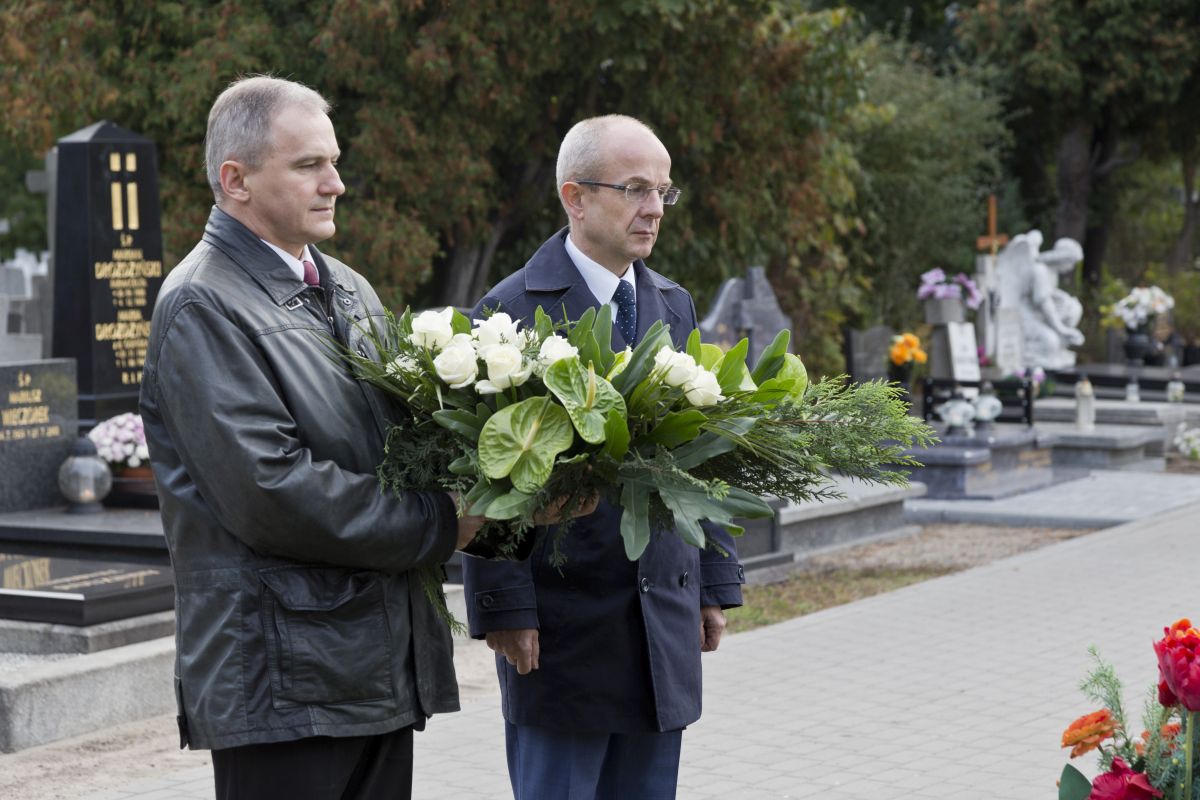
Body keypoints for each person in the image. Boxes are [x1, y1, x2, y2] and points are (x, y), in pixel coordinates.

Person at [139, 76, 487, 800]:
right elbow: (272, 491)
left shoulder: (349, 288)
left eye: (333, 162)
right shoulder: (202, 303)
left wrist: (510, 485)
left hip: (372, 668)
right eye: (308, 166)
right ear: (236, 180)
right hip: (282, 681)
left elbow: (404, 448)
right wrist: (443, 522)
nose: (336, 183)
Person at [462, 115, 745, 800]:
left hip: (659, 624)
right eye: (635, 189)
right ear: (576, 197)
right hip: (563, 632)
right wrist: (504, 605)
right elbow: (483, 472)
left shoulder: (672, 304)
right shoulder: (508, 313)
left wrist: (713, 583)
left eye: (664, 191)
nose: (655, 208)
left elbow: (700, 455)